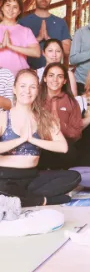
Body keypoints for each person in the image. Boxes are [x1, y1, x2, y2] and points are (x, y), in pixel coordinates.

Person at [0, 69, 80, 206]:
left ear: (37, 91)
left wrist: (33, 139)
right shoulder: (3, 116)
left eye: (32, 87)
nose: (28, 91)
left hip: (32, 177)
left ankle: (19, 199)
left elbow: (62, 147)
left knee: (74, 177)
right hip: (5, 177)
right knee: (4, 188)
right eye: (23, 86)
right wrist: (21, 139)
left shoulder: (43, 118)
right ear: (14, 89)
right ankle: (42, 200)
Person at [38, 63, 82, 170]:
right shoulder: (36, 99)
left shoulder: (71, 101)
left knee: (72, 152)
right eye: (51, 75)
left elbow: (77, 132)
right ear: (44, 78)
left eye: (60, 76)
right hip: (40, 144)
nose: (55, 80)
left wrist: (61, 128)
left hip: (63, 147)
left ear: (65, 81)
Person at [19, 0, 72, 69]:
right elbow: (18, 49)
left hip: (54, 73)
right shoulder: (23, 22)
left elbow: (67, 50)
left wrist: (48, 39)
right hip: (28, 73)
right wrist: (38, 38)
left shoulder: (60, 22)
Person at [0, 0, 40, 75]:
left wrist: (11, 46)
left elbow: (36, 53)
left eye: (15, 7)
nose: (11, 9)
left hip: (20, 77)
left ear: (19, 11)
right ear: (2, 8)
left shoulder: (26, 31)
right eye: (8, 5)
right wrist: (2, 46)